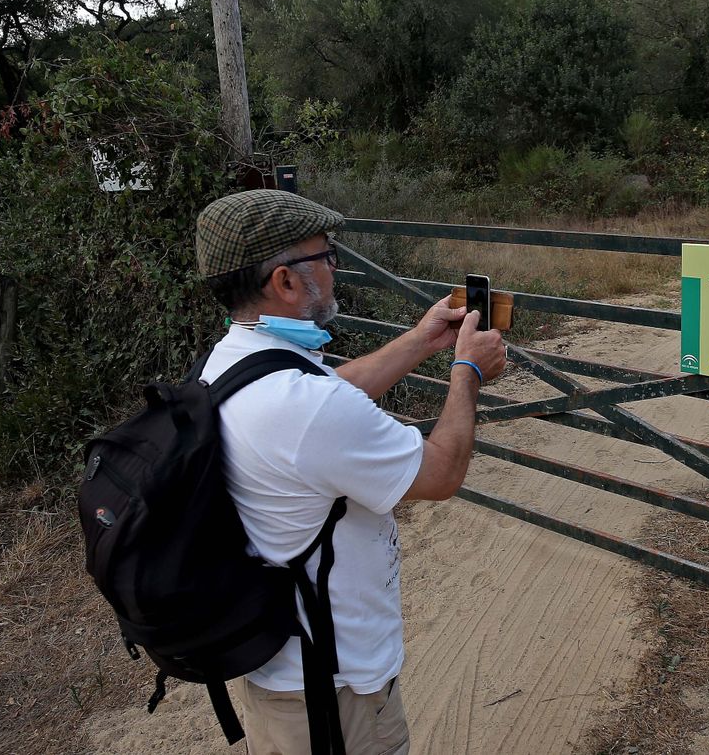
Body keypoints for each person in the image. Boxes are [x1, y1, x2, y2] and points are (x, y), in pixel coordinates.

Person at [194, 189, 506, 755]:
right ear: (286, 282)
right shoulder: (307, 408)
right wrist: (466, 371)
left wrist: (422, 339)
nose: (335, 268)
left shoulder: (229, 364)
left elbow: (325, 398)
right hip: (335, 695)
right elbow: (440, 474)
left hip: (280, 673)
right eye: (326, 255)